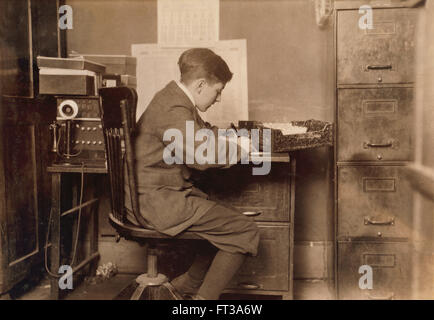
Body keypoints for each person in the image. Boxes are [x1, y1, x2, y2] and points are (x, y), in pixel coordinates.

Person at [124, 48, 260, 300]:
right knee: (244, 231)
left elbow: (201, 135)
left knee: (221, 225)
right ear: (200, 85)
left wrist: (232, 140)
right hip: (156, 203)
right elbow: (200, 154)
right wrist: (239, 149)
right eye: (217, 91)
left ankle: (185, 286)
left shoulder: (173, 99)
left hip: (156, 195)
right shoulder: (174, 106)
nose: (218, 98)